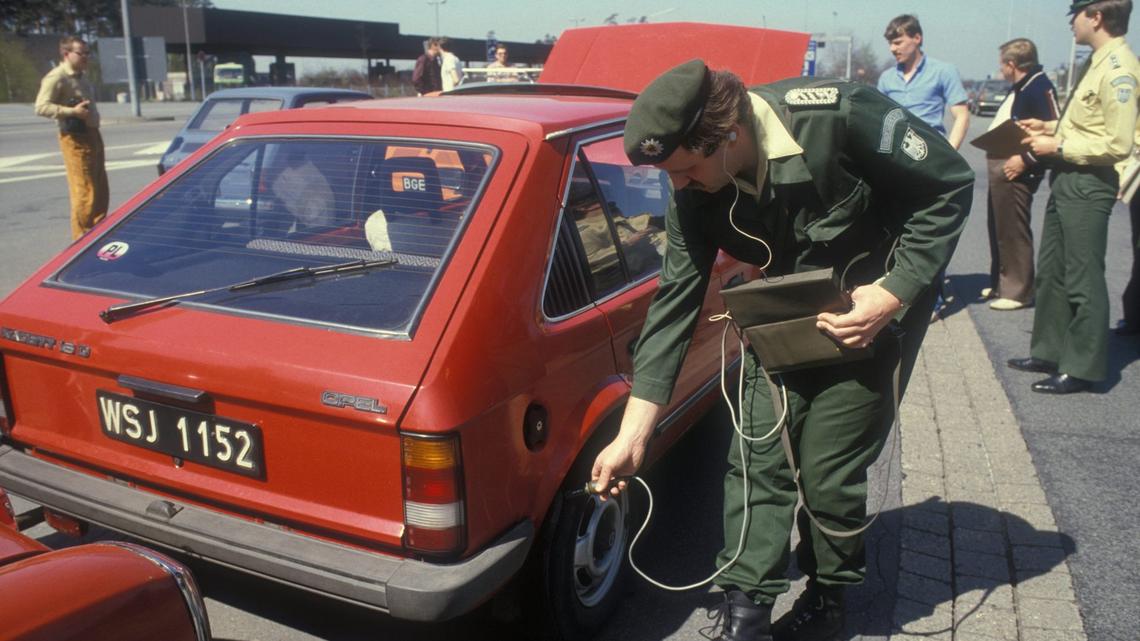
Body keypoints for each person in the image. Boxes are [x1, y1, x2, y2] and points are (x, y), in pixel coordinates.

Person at [590, 60, 973, 641]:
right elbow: (676, 301)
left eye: (687, 171)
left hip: (866, 314)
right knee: (757, 457)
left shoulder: (840, 116)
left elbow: (948, 186)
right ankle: (747, 607)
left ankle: (828, 596)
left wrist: (894, 293)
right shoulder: (694, 185)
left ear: (728, 136)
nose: (680, 189)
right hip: (780, 315)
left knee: (827, 469)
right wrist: (634, 433)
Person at [1010, 0, 1140, 394]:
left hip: (1088, 182)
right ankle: (1049, 350)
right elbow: (1089, 121)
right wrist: (1050, 125)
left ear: (1096, 16)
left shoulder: (1120, 70)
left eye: (1076, 14)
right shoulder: (1097, 61)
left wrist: (1057, 147)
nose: (1071, 22)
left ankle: (1083, 366)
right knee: (1052, 272)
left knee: (1083, 278)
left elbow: (1117, 143)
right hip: (1067, 179)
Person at [877, 15, 971, 321]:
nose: (893, 49)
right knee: (900, 228)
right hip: (897, 165)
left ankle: (932, 298)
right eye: (890, 43)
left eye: (899, 41)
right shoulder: (887, 79)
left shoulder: (944, 72)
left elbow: (961, 115)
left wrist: (948, 155)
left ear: (917, 38)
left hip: (932, 160)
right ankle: (898, 289)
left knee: (931, 229)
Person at [983, 39, 1060, 311]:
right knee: (1001, 228)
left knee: (1014, 229)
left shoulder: (1040, 87)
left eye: (1002, 64)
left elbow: (1055, 131)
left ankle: (1018, 291)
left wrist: (1025, 160)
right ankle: (1002, 282)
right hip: (1005, 165)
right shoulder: (1022, 86)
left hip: (1019, 169)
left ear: (1011, 65)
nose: (1000, 70)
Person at [34, 35, 108, 240]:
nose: (85, 57)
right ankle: (81, 240)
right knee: (84, 191)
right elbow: (41, 107)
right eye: (80, 53)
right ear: (66, 54)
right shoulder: (57, 77)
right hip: (75, 138)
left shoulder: (81, 76)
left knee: (100, 189)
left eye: (87, 53)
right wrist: (71, 112)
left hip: (92, 134)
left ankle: (98, 234)